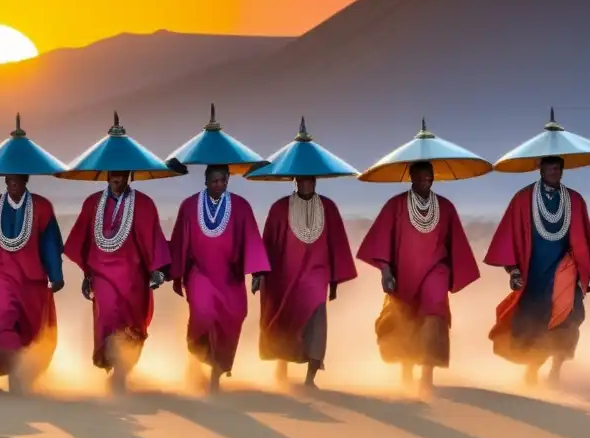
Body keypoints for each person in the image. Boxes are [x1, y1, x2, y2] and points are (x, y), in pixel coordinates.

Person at [356, 160, 479, 396]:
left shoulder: (445, 207)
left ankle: (427, 376)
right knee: (406, 320)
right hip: (404, 272)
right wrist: (386, 271)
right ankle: (406, 370)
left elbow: (456, 242)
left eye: (430, 176)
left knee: (435, 314)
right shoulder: (396, 205)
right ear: (411, 177)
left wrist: (455, 272)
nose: (427, 179)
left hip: (436, 270)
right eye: (421, 176)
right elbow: (381, 239)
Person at [484, 156, 590, 387]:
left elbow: (584, 237)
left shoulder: (575, 200)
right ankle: (533, 367)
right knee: (535, 325)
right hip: (535, 275)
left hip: (565, 272)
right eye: (549, 165)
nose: (554, 170)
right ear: (539, 167)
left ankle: (556, 370)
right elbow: (508, 238)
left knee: (569, 318)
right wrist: (514, 271)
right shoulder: (522, 199)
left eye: (558, 166)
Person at [64, 170, 171, 394]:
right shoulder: (92, 202)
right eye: (114, 174)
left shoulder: (144, 204)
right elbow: (81, 240)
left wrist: (157, 269)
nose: (117, 179)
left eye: (122, 175)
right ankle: (116, 372)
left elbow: (153, 237)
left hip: (134, 279)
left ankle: (122, 374)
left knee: (132, 326)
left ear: (129, 175)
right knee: (109, 318)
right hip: (102, 278)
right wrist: (87, 274)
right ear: (107, 176)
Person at [169, 164, 270, 393]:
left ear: (227, 181)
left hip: (230, 277)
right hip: (200, 273)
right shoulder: (189, 205)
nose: (218, 185)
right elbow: (179, 240)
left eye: (223, 180)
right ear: (205, 181)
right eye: (214, 181)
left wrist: (257, 272)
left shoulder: (241, 206)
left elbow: (252, 239)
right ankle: (196, 358)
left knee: (231, 318)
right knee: (203, 314)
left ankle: (215, 374)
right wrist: (170, 270)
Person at [0, 174, 65, 393]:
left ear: (25, 180)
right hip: (2, 278)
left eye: (18, 179)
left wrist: (56, 274)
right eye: (10, 179)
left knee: (30, 332)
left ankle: (25, 376)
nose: (13, 183)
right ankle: (13, 379)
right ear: (6, 180)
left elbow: (50, 244)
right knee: (7, 320)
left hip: (33, 281)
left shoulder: (42, 206)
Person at [259, 176, 357, 388]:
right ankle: (281, 369)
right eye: (301, 180)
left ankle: (310, 379)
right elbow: (267, 243)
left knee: (316, 324)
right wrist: (259, 274)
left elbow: (336, 245)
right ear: (294, 181)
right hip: (284, 279)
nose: (305, 184)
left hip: (317, 277)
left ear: (315, 181)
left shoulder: (328, 207)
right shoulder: (280, 208)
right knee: (284, 323)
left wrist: (334, 283)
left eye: (309, 180)